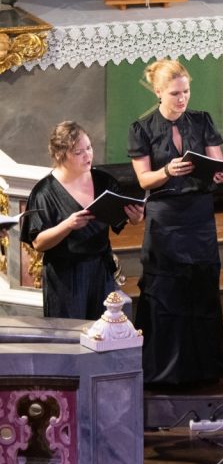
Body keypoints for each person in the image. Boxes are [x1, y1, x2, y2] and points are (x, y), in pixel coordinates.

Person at [128, 58, 223, 386]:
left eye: (186, 91)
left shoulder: (201, 121)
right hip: (166, 218)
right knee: (166, 294)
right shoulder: (142, 128)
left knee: (202, 290)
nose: (182, 98)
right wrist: (166, 172)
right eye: (175, 93)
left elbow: (217, 163)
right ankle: (164, 371)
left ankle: (204, 368)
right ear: (159, 91)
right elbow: (144, 180)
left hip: (199, 217)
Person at [20, 121, 144, 320]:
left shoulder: (104, 181)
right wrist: (67, 226)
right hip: (65, 278)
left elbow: (123, 219)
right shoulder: (44, 192)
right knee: (71, 339)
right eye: (78, 152)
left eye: (89, 147)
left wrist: (136, 218)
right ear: (61, 155)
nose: (88, 155)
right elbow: (38, 243)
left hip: (100, 270)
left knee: (103, 332)